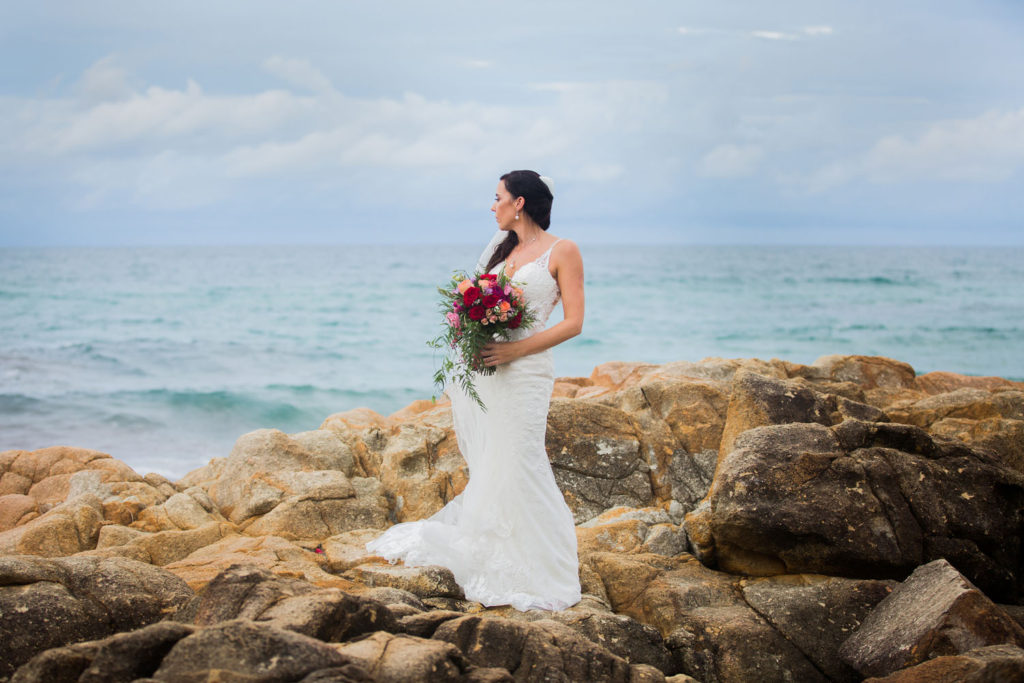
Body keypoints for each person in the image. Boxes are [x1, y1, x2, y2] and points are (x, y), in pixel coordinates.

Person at [366, 169, 584, 611]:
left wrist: (515, 350)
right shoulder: (503, 254)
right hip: (492, 369)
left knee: (523, 457)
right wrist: (471, 333)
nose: (492, 205)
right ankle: (495, 546)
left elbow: (574, 323)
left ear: (519, 202)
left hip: (526, 370)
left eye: (497, 196)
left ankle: (543, 565)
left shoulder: (564, 250)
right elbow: (475, 308)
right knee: (496, 460)